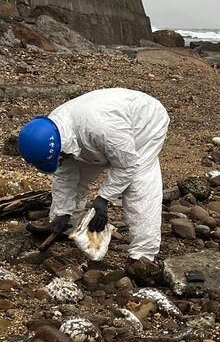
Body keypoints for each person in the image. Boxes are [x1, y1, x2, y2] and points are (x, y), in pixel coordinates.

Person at [18, 88, 170, 283]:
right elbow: (64, 174)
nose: (61, 160)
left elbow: (127, 166)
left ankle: (142, 257)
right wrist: (62, 214)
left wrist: (103, 200)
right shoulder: (54, 130)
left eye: (59, 157)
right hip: (98, 134)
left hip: (144, 123)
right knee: (74, 172)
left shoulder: (102, 129)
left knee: (139, 185)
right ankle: (66, 228)